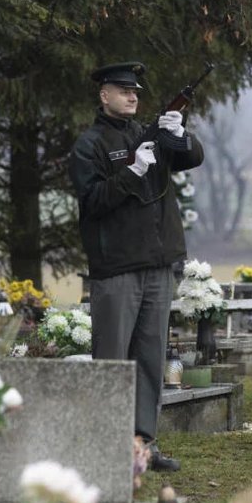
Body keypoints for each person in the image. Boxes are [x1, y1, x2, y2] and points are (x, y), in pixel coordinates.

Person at [69, 61, 204, 472]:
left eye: (135, 91)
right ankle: (109, 448)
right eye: (122, 89)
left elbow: (192, 157)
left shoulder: (151, 135)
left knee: (148, 358)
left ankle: (143, 445)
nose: (132, 95)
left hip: (158, 263)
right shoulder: (89, 145)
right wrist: (132, 171)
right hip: (117, 267)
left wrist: (179, 134)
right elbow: (92, 202)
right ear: (103, 94)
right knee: (112, 359)